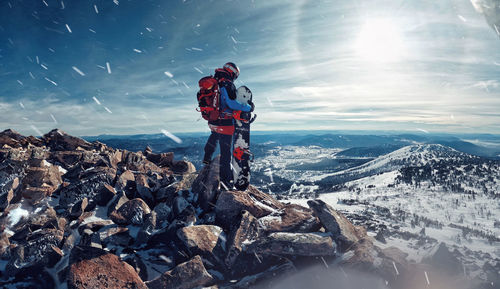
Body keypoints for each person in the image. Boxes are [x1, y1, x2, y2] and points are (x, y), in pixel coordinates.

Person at [202, 62, 254, 190]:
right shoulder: (226, 83)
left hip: (213, 120)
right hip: (224, 123)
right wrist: (248, 107)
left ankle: (207, 158)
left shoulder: (215, 81)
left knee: (214, 135)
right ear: (233, 72)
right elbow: (231, 103)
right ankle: (226, 182)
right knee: (226, 154)